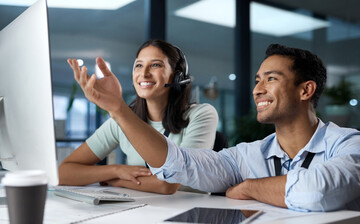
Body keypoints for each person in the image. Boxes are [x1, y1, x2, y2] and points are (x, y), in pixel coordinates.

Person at [65, 42, 360, 212]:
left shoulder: (349, 144)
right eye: (257, 80)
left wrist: (249, 187)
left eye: (270, 79)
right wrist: (117, 109)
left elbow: (318, 191)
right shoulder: (245, 156)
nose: (257, 89)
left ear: (305, 90)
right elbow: (180, 166)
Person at [59, 40, 218, 194]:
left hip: (191, 213)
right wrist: (116, 170)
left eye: (156, 65)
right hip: (141, 209)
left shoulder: (201, 114)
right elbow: (63, 172)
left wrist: (116, 180)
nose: (144, 73)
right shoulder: (122, 120)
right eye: (139, 65)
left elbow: (168, 185)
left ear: (177, 76)